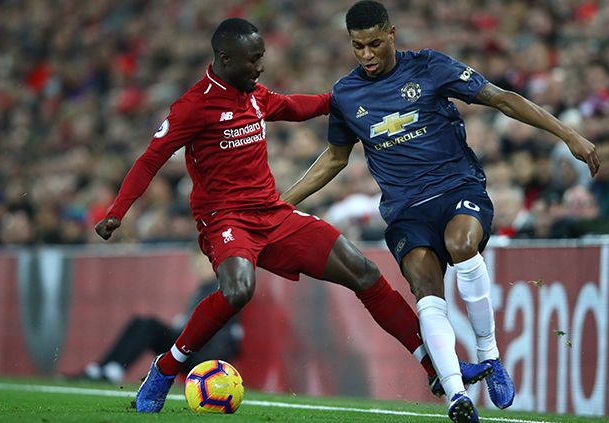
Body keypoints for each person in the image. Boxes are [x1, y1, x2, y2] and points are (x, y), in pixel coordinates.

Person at [94, 18, 490, 414]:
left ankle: (433, 366)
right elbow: (150, 160)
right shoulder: (193, 105)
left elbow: (303, 106)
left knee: (364, 272)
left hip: (273, 214)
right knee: (237, 290)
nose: (260, 67)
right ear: (225, 58)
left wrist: (352, 97)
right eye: (253, 60)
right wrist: (117, 212)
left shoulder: (253, 95)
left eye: (261, 58)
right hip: (226, 221)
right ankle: (165, 369)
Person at [281, 2, 600, 422]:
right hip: (405, 210)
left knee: (462, 244)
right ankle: (455, 395)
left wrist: (569, 134)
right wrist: (279, 204)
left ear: (392, 34)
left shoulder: (430, 67)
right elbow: (334, 159)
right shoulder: (346, 94)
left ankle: (490, 356)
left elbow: (501, 99)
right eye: (358, 46)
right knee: (423, 282)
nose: (367, 55)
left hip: (457, 188)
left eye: (375, 43)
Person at [73, 257, 242, 384]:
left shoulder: (221, 289)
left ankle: (113, 369)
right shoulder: (203, 289)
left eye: (201, 264)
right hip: (190, 345)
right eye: (195, 265)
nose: (197, 269)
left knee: (149, 326)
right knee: (139, 321)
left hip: (201, 353)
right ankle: (105, 366)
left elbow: (225, 329)